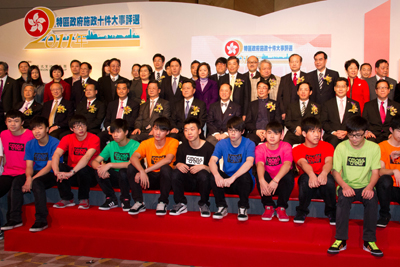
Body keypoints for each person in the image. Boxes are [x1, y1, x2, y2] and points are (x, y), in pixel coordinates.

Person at [327, 116, 383, 257]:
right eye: (351, 135)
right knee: (343, 201)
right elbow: (335, 171)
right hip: (347, 185)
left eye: (358, 135)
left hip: (366, 186)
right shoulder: (341, 147)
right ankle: (340, 239)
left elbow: (376, 172)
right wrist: (344, 186)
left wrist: (370, 187)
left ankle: (369, 241)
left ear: (365, 132)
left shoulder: (374, 147)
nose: (354, 139)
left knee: (372, 201)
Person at [1, 116, 60, 232]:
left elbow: (49, 167)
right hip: (36, 172)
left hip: (52, 172)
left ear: (47, 129)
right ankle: (15, 218)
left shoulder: (55, 142)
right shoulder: (30, 144)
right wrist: (28, 178)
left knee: (37, 183)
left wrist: (32, 180)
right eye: (33, 129)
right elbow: (29, 165)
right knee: (17, 181)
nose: (36, 131)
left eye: (40, 128)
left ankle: (41, 220)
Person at [127, 117, 179, 216]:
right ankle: (139, 202)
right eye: (155, 129)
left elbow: (168, 159)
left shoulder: (173, 141)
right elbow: (133, 157)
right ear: (152, 130)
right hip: (149, 179)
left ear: (167, 132)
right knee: (131, 167)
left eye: (162, 130)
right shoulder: (146, 143)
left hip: (166, 179)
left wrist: (144, 171)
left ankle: (163, 202)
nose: (158, 133)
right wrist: (142, 171)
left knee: (166, 168)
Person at [209, 116, 255, 221]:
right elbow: (212, 161)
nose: (233, 133)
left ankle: (243, 207)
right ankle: (221, 207)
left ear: (242, 131)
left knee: (245, 176)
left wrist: (233, 178)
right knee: (213, 174)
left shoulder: (249, 143)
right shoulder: (222, 143)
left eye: (236, 131)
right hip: (227, 182)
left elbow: (249, 163)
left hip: (242, 183)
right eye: (230, 130)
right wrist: (217, 176)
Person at [292, 117, 336, 224]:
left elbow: (329, 162)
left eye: (318, 131)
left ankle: (331, 212)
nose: (317, 134)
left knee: (330, 179)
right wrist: (312, 175)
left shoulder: (327, 146)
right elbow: (303, 163)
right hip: (308, 186)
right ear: (304, 133)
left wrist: (324, 173)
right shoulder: (297, 149)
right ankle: (302, 211)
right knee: (304, 178)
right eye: (312, 131)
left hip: (323, 182)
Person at [51, 115, 100, 209]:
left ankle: (84, 198)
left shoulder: (94, 138)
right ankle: (67, 198)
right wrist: (56, 171)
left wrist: (71, 172)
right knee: (61, 167)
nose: (80, 129)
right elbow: (56, 154)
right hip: (72, 175)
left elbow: (86, 157)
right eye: (77, 127)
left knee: (83, 169)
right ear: (71, 129)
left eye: (83, 126)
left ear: (87, 126)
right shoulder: (67, 138)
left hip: (89, 175)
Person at [91, 119, 140, 211]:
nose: (115, 135)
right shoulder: (111, 145)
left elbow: (131, 163)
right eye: (113, 132)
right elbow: (94, 161)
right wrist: (101, 168)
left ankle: (125, 199)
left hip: (130, 179)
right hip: (115, 178)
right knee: (98, 170)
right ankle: (111, 199)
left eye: (118, 132)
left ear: (126, 132)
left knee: (123, 172)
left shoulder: (135, 144)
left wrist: (109, 165)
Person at [170, 118, 214, 217]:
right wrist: (177, 165)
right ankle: (180, 204)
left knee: (203, 174)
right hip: (187, 181)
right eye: (186, 130)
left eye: (192, 129)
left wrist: (204, 167)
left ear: (199, 131)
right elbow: (174, 165)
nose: (189, 132)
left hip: (203, 183)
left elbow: (215, 170)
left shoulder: (209, 148)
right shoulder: (182, 147)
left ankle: (204, 204)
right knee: (176, 173)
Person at [0, 111, 34, 238]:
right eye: (9, 121)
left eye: (16, 121)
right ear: (5, 123)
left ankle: (15, 219)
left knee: (14, 188)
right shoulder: (3, 134)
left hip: (24, 171)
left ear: (22, 122)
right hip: (8, 171)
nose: (12, 124)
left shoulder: (30, 135)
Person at [255, 121, 294, 222]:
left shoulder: (286, 146)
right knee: (260, 175)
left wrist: (276, 180)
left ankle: (281, 207)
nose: (272, 136)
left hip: (280, 181)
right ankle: (268, 206)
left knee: (289, 176)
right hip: (267, 182)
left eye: (276, 133)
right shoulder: (260, 148)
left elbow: (287, 164)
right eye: (269, 133)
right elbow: (260, 164)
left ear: (281, 135)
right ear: (265, 134)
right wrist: (261, 180)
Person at [99, 80, 140, 149]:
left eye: (123, 89)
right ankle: (106, 159)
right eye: (119, 88)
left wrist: (119, 130)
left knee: (116, 138)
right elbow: (107, 120)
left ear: (128, 90)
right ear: (116, 90)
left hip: (125, 130)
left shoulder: (134, 104)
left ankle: (116, 158)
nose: (121, 91)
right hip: (112, 130)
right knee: (100, 137)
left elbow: (133, 121)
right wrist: (110, 129)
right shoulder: (111, 104)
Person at [375, 115, 400, 228]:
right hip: (388, 189)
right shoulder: (382, 147)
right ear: (391, 130)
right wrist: (394, 171)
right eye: (399, 131)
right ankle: (384, 214)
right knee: (385, 179)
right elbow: (380, 171)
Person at [321, 78, 361, 148]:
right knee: (334, 140)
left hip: (349, 134)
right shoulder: (327, 104)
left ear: (347, 88)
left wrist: (347, 132)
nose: (340, 89)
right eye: (338, 86)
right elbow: (323, 122)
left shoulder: (354, 104)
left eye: (343, 86)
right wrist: (334, 132)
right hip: (331, 135)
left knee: (349, 142)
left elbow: (357, 122)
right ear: (334, 88)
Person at [283, 82, 320, 146]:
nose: (303, 92)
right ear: (297, 92)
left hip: (309, 134)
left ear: (310, 92)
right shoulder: (291, 106)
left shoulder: (316, 106)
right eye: (301, 89)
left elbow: (317, 122)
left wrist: (306, 131)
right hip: (293, 133)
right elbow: (287, 121)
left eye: (306, 90)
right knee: (285, 145)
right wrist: (295, 129)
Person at [245, 80, 280, 145]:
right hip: (255, 132)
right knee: (249, 142)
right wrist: (256, 131)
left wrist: (268, 132)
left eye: (264, 88)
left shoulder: (275, 104)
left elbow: (278, 121)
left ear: (269, 91)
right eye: (259, 88)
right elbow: (247, 122)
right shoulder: (252, 104)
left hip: (271, 133)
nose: (261, 90)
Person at [277, 54, 307, 120]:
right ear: (289, 64)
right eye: (292, 62)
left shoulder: (307, 77)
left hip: (303, 113)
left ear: (300, 63)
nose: (294, 64)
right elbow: (280, 97)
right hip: (287, 113)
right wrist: (283, 112)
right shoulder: (284, 79)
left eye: (296, 62)